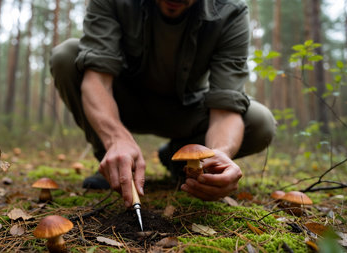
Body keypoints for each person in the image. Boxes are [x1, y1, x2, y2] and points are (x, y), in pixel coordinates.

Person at [50, 0, 276, 208]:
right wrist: (116, 139)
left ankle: (182, 163)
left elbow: (226, 108)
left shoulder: (230, 10)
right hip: (122, 103)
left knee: (259, 122)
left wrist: (218, 155)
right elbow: (96, 79)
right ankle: (114, 164)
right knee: (66, 56)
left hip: (187, 112)